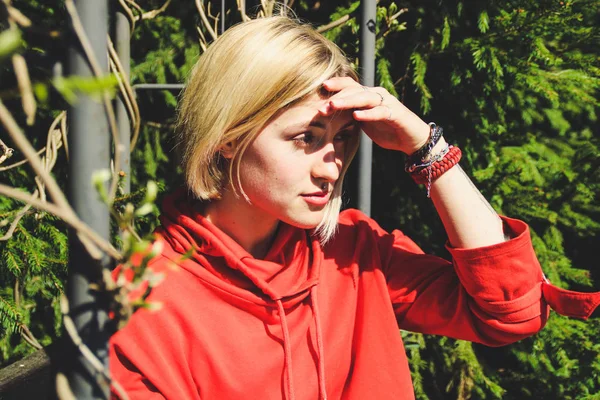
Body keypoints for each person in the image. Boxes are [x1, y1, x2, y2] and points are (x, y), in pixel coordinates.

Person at [108, 15, 599, 400]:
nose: (331, 167)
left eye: (343, 139)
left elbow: (512, 313)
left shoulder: (353, 253)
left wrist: (427, 149)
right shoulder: (143, 300)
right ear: (228, 138)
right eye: (307, 138)